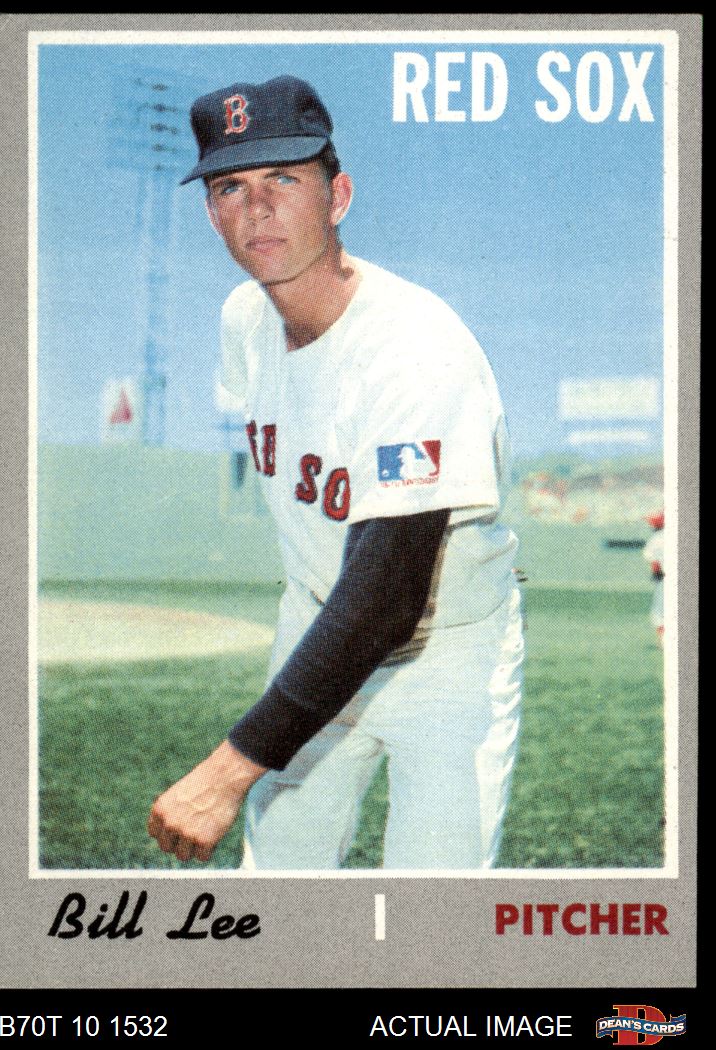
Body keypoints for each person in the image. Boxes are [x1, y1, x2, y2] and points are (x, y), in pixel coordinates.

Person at [148, 75, 525, 870]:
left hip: (448, 651)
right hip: (319, 624)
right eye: (230, 187)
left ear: (338, 197)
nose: (257, 207)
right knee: (278, 892)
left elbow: (388, 594)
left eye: (284, 179)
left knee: (435, 911)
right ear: (211, 213)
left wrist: (225, 774)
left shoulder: (416, 348)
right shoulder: (244, 322)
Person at [643, 510, 665, 646]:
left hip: (665, 579)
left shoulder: (656, 538)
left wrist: (656, 573)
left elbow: (653, 561)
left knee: (659, 613)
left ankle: (665, 641)